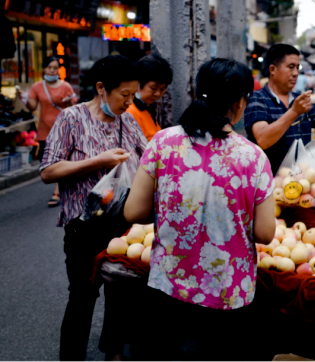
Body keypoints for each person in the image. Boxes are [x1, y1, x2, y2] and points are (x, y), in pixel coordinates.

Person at [123, 58, 276, 359]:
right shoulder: (254, 158)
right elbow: (265, 232)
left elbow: (133, 213)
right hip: (229, 291)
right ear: (241, 102)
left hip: (169, 284)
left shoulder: (163, 142)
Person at [39, 55, 148, 361]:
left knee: (120, 295)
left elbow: (150, 159)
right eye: (124, 95)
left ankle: (113, 353)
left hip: (122, 228)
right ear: (101, 88)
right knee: (82, 297)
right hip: (84, 229)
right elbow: (48, 172)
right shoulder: (71, 118)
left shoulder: (128, 120)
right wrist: (98, 162)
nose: (130, 102)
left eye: (133, 95)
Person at [244, 44, 315, 172]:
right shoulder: (257, 99)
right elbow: (263, 140)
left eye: (297, 67)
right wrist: (294, 112)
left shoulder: (300, 100)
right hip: (271, 182)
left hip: (303, 181)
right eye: (290, 67)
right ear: (273, 69)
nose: (295, 73)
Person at [17, 56, 76, 207]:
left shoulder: (65, 86)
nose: (52, 70)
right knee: (49, 163)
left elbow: (73, 108)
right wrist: (22, 98)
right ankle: (63, 187)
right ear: (44, 68)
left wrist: (68, 102)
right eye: (49, 67)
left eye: (55, 68)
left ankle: (57, 191)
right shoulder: (37, 87)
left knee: (60, 160)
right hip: (44, 130)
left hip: (63, 129)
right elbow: (32, 107)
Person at [127, 53, 173, 141]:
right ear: (138, 83)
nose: (158, 94)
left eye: (162, 89)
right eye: (153, 88)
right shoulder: (129, 112)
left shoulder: (147, 108)